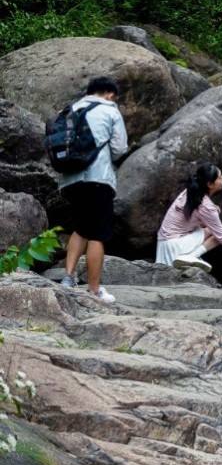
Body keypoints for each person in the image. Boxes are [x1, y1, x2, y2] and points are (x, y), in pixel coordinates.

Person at [58, 76, 127, 304]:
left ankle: (68, 277)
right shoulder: (110, 110)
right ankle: (95, 289)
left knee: (81, 227)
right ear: (109, 94)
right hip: (98, 178)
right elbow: (119, 148)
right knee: (98, 233)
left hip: (70, 179)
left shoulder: (70, 109)